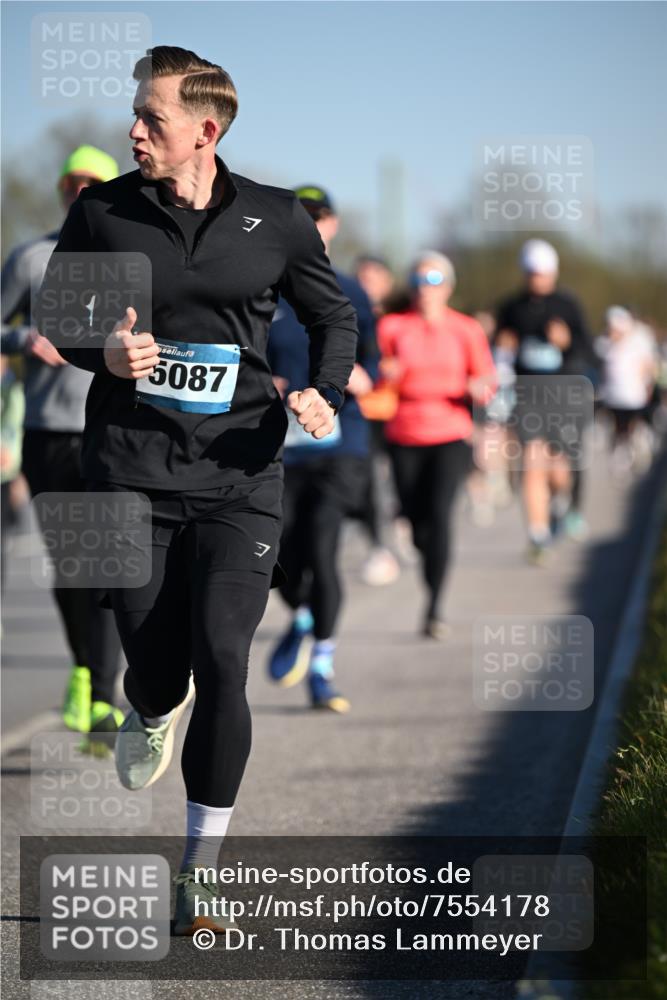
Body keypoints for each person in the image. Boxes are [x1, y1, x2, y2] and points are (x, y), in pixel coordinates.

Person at [36, 46, 357, 935]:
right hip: (127, 470)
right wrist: (101, 349)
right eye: (134, 115)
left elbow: (332, 316)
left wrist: (321, 393)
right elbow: (56, 315)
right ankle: (147, 704)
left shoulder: (276, 218)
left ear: (204, 132)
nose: (133, 131)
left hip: (239, 473)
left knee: (223, 659)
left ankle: (201, 871)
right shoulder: (105, 211)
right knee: (156, 665)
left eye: (152, 119)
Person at [1, 145, 125, 743]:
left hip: (116, 430)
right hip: (49, 432)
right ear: (61, 189)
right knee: (70, 567)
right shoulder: (30, 259)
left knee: (104, 565)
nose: (81, 192)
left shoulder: (132, 257)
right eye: (73, 182)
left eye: (93, 183)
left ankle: (103, 695)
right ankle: (84, 669)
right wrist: (23, 336)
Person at [266, 185, 377, 712]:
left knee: (324, 548)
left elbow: (376, 364)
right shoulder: (263, 285)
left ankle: (324, 668)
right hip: (282, 449)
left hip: (341, 445)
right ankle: (304, 616)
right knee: (277, 560)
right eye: (301, 217)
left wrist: (360, 376)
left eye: (319, 217)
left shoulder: (351, 290)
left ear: (332, 225)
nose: (310, 225)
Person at [377, 252, 496, 638]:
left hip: (450, 434)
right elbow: (374, 374)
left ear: (448, 287)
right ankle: (429, 567)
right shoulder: (393, 327)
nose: (424, 291)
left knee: (440, 516)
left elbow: (487, 379)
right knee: (415, 521)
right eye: (417, 284)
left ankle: (434, 606)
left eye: (432, 283)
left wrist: (480, 388)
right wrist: (385, 373)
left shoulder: (466, 330)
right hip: (403, 433)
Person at [495, 240, 595, 564]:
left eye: (543, 274)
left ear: (553, 273)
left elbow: (588, 350)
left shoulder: (567, 305)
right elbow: (498, 348)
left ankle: (562, 501)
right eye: (532, 274)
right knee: (531, 464)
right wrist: (503, 345)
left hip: (564, 393)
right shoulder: (512, 307)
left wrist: (566, 343)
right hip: (528, 395)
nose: (537, 279)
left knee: (558, 469)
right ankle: (538, 536)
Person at [598, 306, 658, 476]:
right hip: (613, 395)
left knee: (631, 423)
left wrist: (648, 386)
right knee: (618, 425)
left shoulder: (639, 341)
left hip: (633, 395)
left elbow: (648, 366)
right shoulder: (606, 344)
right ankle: (622, 453)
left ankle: (635, 445)